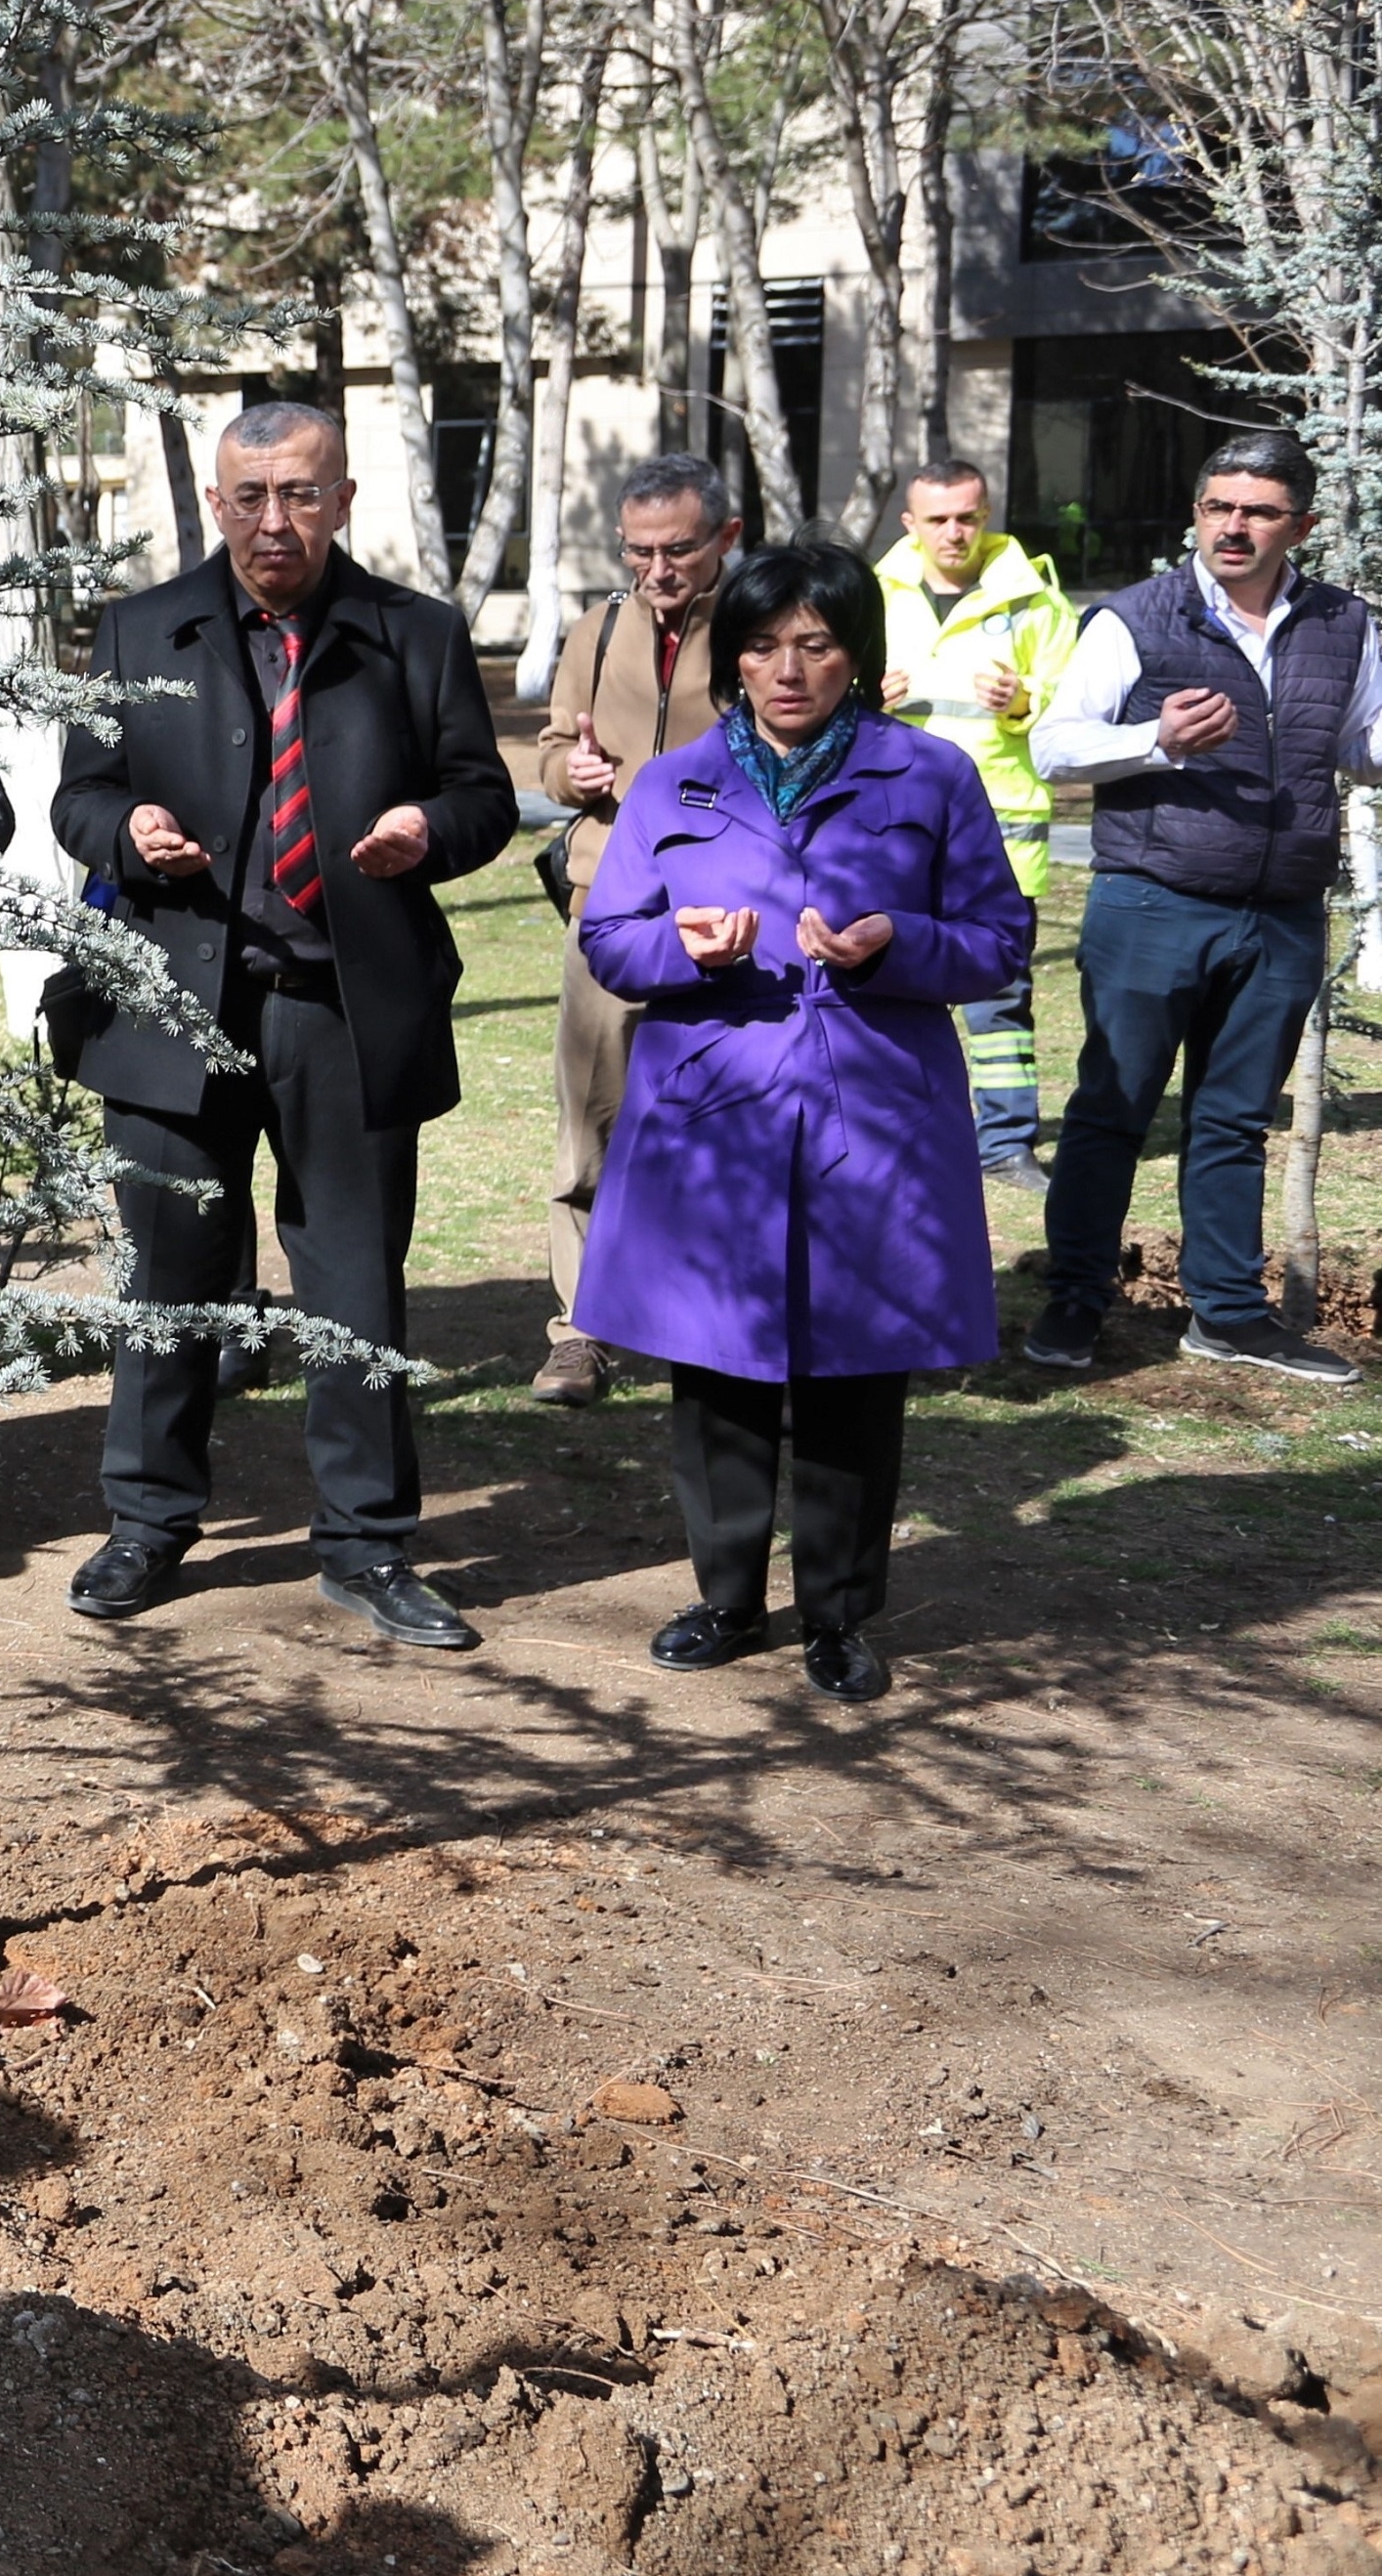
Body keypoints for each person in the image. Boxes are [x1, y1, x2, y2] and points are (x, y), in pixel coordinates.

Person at [49, 400, 515, 1648]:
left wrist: (425, 829)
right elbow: (78, 797)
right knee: (168, 1280)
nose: (275, 521)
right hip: (174, 1008)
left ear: (344, 498)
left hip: (342, 1010)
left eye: (301, 494)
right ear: (215, 504)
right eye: (250, 497)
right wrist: (126, 837)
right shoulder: (144, 627)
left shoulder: (413, 636)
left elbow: (482, 794)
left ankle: (366, 1547)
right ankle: (147, 1523)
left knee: (352, 1288)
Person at [572, 537, 1028, 1701]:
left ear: (856, 657)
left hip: (869, 1111)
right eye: (766, 645)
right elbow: (608, 936)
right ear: (734, 660)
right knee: (715, 1364)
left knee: (853, 1373)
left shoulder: (928, 775)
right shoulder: (673, 781)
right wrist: (675, 945)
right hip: (709, 1114)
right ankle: (727, 1597)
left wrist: (899, 943)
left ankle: (837, 1612)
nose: (789, 668)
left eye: (816, 644)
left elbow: (999, 938)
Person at [1025, 426, 1382, 1381]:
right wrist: (1153, 742)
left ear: (1298, 524)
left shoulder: (1345, 625)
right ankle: (1073, 1300)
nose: (1233, 527)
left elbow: (1360, 746)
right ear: (1195, 514)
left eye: (1258, 512)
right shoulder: (1135, 617)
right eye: (1217, 507)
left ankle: (1226, 1313)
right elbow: (1054, 748)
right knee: (1110, 1109)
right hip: (1152, 900)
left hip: (1279, 913)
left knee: (1232, 1121)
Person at [526, 456, 742, 1405]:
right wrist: (568, 776)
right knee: (590, 1132)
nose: (656, 568)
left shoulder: (763, 629)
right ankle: (580, 1331)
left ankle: (719, 1321)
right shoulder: (596, 628)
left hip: (733, 920)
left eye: (677, 549)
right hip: (607, 910)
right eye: (638, 550)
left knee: (728, 1129)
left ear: (725, 540)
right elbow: (547, 754)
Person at [876, 461, 1071, 1198]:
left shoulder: (1033, 602)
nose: (955, 532)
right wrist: (870, 699)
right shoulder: (873, 595)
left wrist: (1027, 698)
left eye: (969, 516)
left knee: (999, 1001)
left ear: (986, 513)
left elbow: (1076, 710)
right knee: (887, 984)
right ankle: (900, 1128)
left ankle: (1006, 1144)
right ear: (910, 524)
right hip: (895, 831)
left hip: (1001, 840)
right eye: (939, 520)